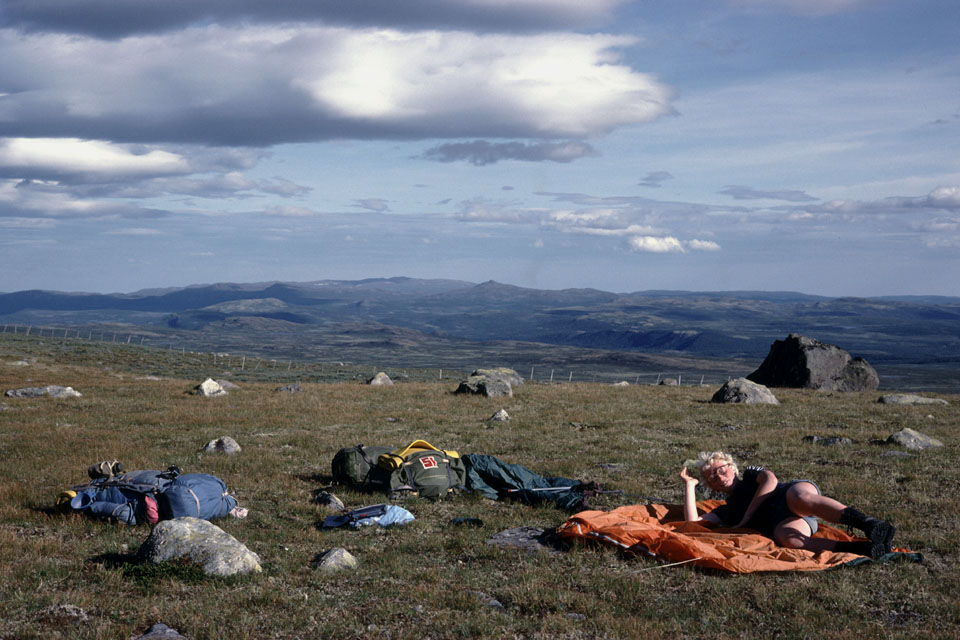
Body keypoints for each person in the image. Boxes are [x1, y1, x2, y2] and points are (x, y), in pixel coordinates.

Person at [679, 450, 895, 558]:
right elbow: (693, 523)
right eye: (712, 477)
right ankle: (863, 549)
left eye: (721, 469)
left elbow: (770, 480)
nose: (719, 475)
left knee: (799, 499)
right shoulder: (727, 510)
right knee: (787, 538)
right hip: (782, 520)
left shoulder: (750, 473)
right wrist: (690, 485)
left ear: (732, 467)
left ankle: (870, 525)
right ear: (713, 487)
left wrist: (747, 517)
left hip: (789, 495)